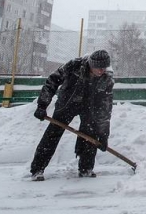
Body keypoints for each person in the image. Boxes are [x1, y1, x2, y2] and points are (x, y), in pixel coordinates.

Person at [29, 50, 114, 181]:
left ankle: (86, 169)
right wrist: (42, 105)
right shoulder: (75, 65)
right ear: (91, 64)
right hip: (67, 103)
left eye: (104, 67)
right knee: (53, 133)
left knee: (91, 134)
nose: (101, 70)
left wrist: (103, 135)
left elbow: (105, 108)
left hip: (89, 106)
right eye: (99, 67)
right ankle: (37, 169)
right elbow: (52, 81)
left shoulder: (107, 78)